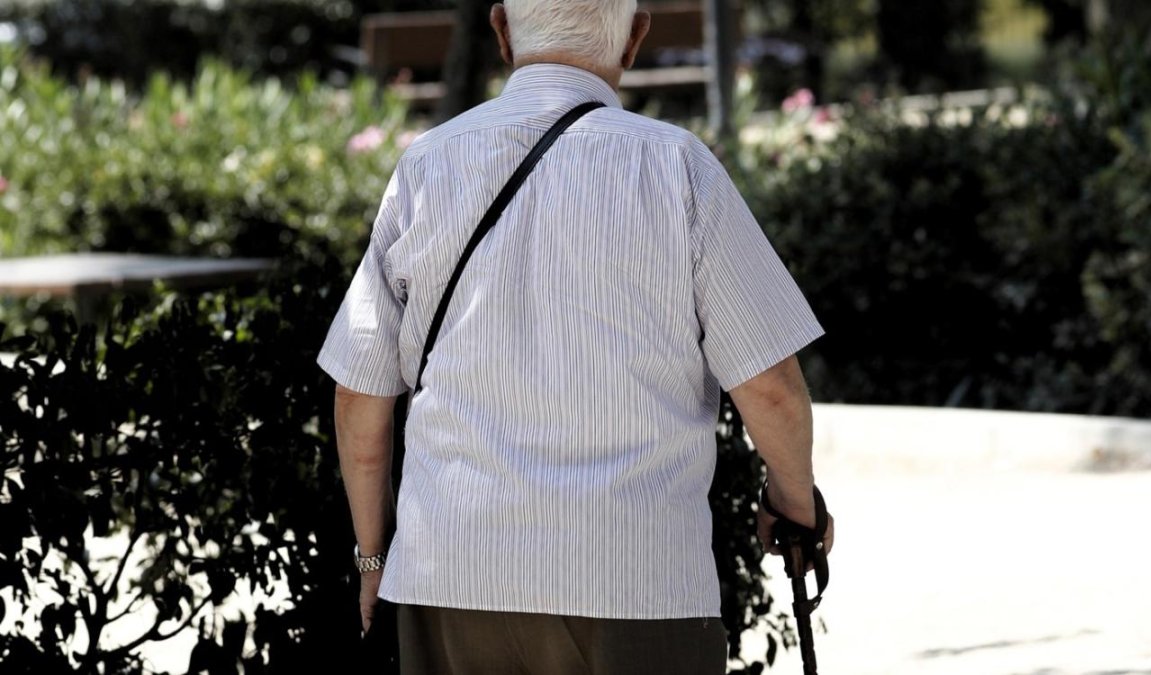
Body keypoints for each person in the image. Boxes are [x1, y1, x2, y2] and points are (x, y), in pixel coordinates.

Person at [317, 1, 834, 672]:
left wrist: (372, 557)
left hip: (451, 573)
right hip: (637, 583)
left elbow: (360, 397)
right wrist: (795, 503)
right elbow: (770, 386)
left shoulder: (427, 167)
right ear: (636, 36)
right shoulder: (677, 166)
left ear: (501, 29)